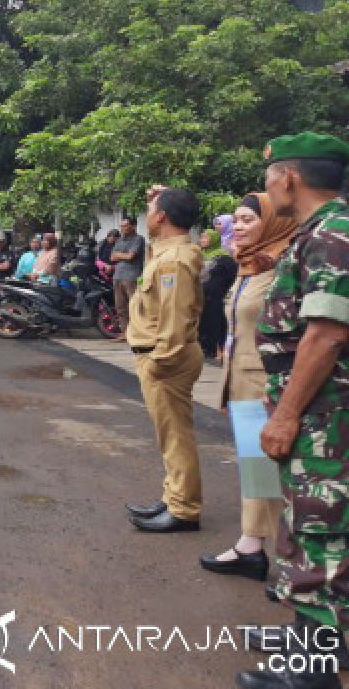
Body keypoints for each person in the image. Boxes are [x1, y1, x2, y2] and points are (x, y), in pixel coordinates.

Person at [234, 133, 349, 689]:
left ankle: (314, 671)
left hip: (328, 417)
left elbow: (326, 335)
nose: (267, 187)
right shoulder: (317, 233)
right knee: (308, 525)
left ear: (289, 178)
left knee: (320, 530)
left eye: (269, 176)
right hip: (314, 409)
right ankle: (314, 634)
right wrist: (283, 396)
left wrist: (287, 413)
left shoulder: (332, 234)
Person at [198, 193, 295, 584]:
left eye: (248, 220)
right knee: (255, 469)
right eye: (234, 220)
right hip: (241, 378)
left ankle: (288, 563)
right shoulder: (249, 265)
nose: (236, 227)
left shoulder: (282, 265)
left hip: (268, 382)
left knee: (272, 470)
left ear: (271, 222)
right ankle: (252, 546)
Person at [125, 186, 205, 533]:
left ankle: (184, 509)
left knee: (176, 436)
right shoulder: (166, 251)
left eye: (151, 210)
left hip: (166, 358)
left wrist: (161, 360)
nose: (147, 215)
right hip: (160, 354)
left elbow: (175, 316)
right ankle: (174, 495)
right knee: (168, 435)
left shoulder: (174, 259)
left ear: (161, 217)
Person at [197, 227, 238, 362]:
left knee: (218, 323)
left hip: (218, 296)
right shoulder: (199, 255)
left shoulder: (224, 258)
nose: (203, 240)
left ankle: (219, 350)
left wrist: (226, 292)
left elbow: (233, 276)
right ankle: (205, 348)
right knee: (204, 322)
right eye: (202, 237)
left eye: (206, 237)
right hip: (202, 295)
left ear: (214, 239)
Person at [111, 216, 147, 341]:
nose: (122, 229)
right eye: (121, 226)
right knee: (120, 307)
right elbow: (112, 257)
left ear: (133, 226)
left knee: (134, 306)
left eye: (125, 226)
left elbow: (131, 256)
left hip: (131, 276)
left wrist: (120, 255)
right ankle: (125, 333)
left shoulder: (138, 239)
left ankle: (136, 333)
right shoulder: (119, 240)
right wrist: (123, 255)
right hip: (118, 276)